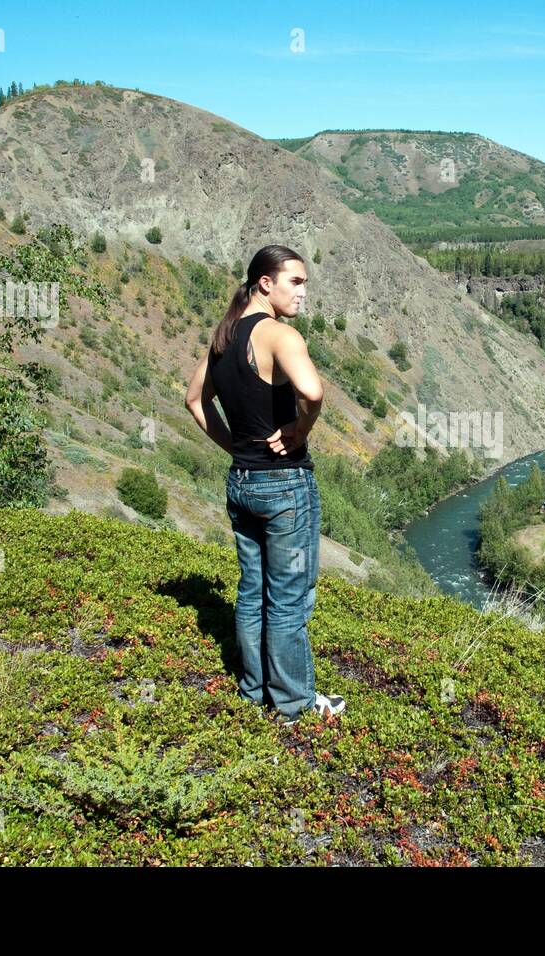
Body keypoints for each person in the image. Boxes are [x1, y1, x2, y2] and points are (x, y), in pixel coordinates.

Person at [184, 244, 344, 725]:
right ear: (264, 283)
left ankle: (254, 692)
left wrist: (236, 449)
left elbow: (194, 401)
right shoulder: (278, 335)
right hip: (285, 487)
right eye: (295, 282)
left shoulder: (224, 338)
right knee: (290, 597)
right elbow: (313, 392)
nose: (303, 292)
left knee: (253, 590)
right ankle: (294, 705)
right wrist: (300, 429)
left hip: (242, 483)